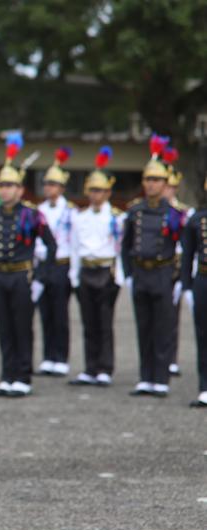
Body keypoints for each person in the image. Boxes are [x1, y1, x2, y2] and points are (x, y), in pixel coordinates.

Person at [0, 134, 57, 398]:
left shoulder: (32, 214)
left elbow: (52, 246)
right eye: (1, 184)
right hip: (0, 277)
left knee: (22, 328)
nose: (4, 189)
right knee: (4, 328)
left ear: (19, 189)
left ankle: (23, 376)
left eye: (9, 185)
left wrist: (40, 278)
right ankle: (7, 375)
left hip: (22, 277)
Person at [122, 135, 186, 398]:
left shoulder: (175, 215)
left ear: (165, 183)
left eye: (156, 180)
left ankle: (161, 377)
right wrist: (127, 275)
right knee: (143, 326)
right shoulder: (134, 212)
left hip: (163, 272)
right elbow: (126, 246)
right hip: (141, 272)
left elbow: (185, 248)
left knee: (163, 326)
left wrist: (179, 279)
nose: (151, 184)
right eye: (148, 179)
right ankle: (145, 377)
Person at [67, 147, 125, 387]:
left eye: (99, 190)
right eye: (92, 190)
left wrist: (119, 277)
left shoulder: (116, 217)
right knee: (88, 322)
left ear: (108, 192)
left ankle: (105, 367)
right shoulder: (80, 217)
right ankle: (90, 367)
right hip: (86, 270)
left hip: (105, 271)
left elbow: (121, 249)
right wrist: (74, 276)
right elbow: (74, 247)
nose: (95, 194)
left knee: (104, 322)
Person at [35, 148, 78, 377]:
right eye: (46, 183)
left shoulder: (70, 212)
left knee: (60, 312)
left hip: (61, 264)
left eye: (53, 184)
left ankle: (61, 357)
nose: (48, 188)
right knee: (45, 311)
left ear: (61, 188)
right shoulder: (38, 211)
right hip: (42, 263)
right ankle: (48, 356)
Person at [161, 147, 193, 377]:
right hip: (157, 266)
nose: (167, 190)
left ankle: (170, 357)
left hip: (175, 267)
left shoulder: (183, 213)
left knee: (172, 316)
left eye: (171, 186)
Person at [180, 175, 207, 407]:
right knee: (203, 335)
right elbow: (187, 256)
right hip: (204, 279)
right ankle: (204, 386)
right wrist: (186, 286)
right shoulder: (196, 219)